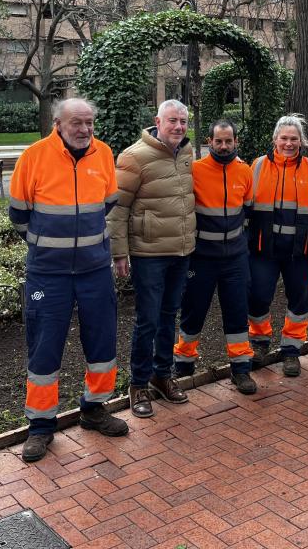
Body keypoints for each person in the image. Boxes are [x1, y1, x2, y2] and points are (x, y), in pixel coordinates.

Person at [9, 97, 128, 463]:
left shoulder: (103, 154)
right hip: (49, 272)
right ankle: (41, 425)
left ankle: (94, 408)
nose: (85, 129)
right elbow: (19, 214)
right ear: (58, 123)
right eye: (77, 122)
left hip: (95, 269)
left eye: (89, 122)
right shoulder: (34, 157)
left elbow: (107, 202)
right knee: (44, 346)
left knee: (102, 341)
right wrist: (50, 244)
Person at [109, 100, 196, 418]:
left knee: (169, 315)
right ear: (157, 122)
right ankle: (138, 384)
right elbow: (117, 209)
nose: (179, 127)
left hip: (181, 251)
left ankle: (162, 374)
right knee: (147, 320)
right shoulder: (134, 157)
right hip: (149, 255)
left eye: (183, 121)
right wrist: (119, 253)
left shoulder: (186, 152)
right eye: (172, 121)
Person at [173, 120, 258, 394]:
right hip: (201, 258)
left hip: (235, 258)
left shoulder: (245, 171)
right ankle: (183, 366)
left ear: (236, 142)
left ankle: (241, 368)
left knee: (237, 311)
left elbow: (248, 209)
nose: (223, 146)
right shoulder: (195, 170)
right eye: (218, 141)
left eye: (228, 141)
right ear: (209, 141)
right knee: (193, 311)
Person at [247, 115, 308, 378]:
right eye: (284, 138)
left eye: (294, 139)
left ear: (301, 141)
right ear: (275, 139)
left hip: (301, 252)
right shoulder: (257, 166)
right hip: (263, 250)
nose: (288, 143)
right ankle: (259, 343)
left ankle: (291, 350)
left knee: (300, 298)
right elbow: (244, 207)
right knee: (258, 296)